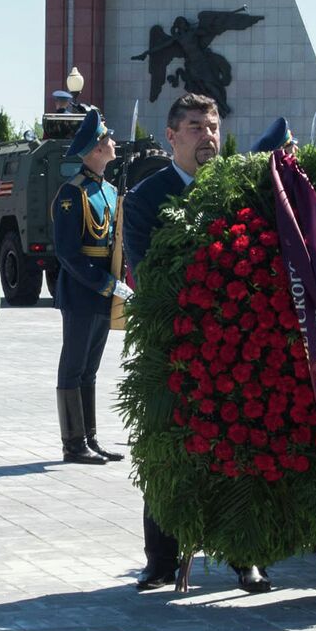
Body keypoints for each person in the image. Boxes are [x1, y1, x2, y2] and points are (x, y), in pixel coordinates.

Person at [122, 94, 270, 595]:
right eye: (194, 126)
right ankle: (161, 559)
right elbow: (146, 272)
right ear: (171, 137)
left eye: (212, 125)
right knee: (167, 449)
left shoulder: (240, 188)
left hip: (236, 344)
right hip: (173, 343)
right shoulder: (145, 198)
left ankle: (244, 555)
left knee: (240, 444)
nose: (207, 135)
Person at [52, 109, 129, 465]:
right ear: (97, 149)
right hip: (83, 291)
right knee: (73, 365)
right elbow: (68, 253)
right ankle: (72, 442)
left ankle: (90, 438)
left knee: (90, 369)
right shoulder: (73, 194)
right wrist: (104, 284)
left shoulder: (109, 191)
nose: (113, 142)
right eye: (107, 138)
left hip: (103, 290)